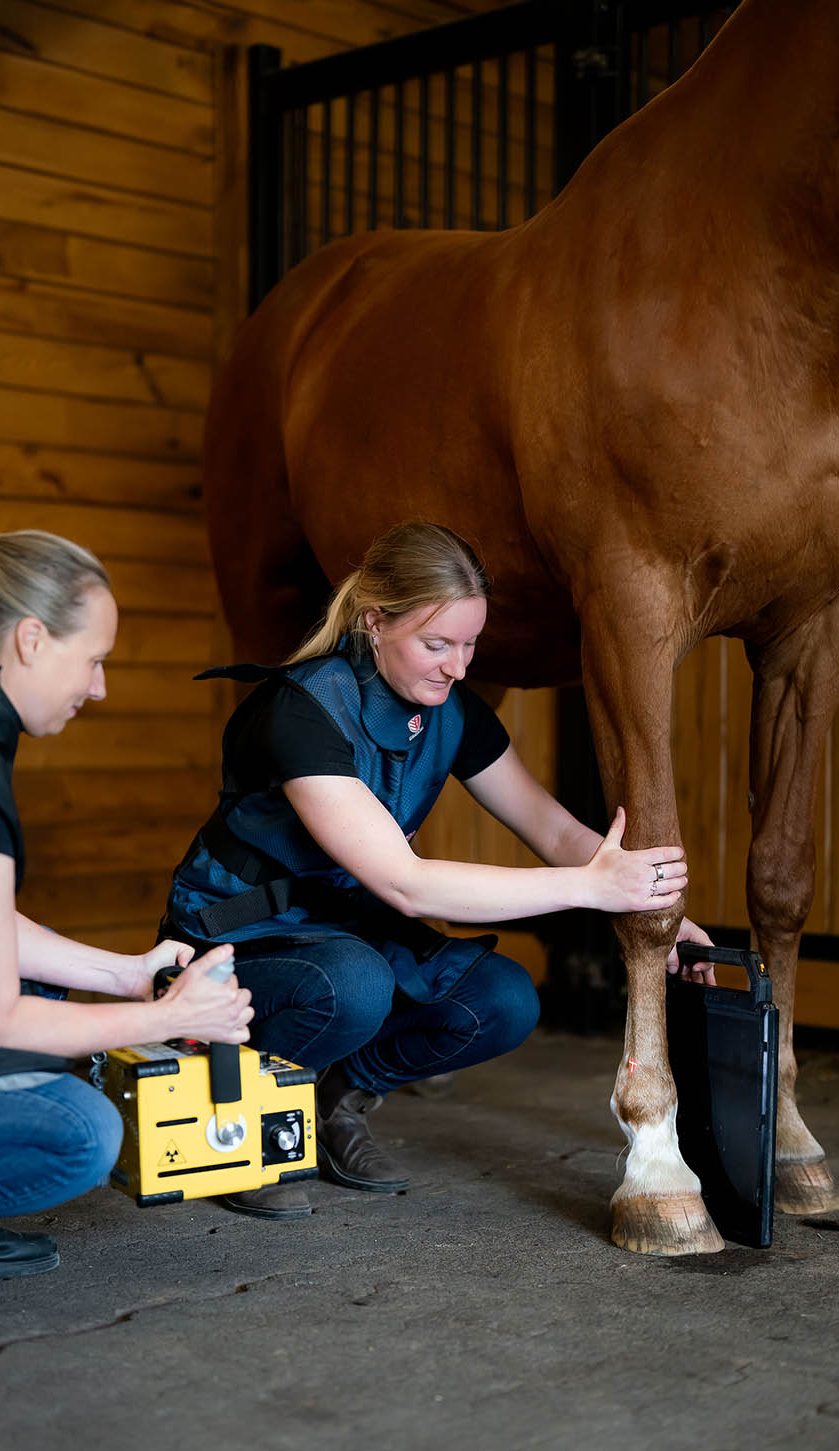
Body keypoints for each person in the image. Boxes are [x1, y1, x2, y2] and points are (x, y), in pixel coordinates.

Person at [160, 522, 714, 1222]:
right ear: (375, 622)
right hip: (243, 933)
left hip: (343, 928)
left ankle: (335, 1102)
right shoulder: (302, 709)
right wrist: (591, 889)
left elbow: (554, 830)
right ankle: (249, 1117)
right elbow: (406, 883)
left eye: (470, 644)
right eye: (437, 644)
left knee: (505, 999)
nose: (458, 666)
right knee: (354, 986)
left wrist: (659, 912)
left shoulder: (454, 710)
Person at [0, 517, 252, 1341]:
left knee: (51, 1006)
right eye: (94, 659)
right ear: (31, 639)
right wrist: (165, 1016)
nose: (100, 687)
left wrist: (127, 973)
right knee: (80, 1131)